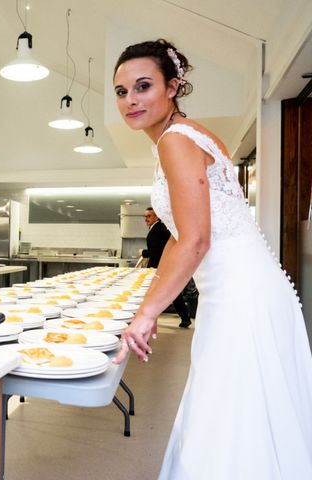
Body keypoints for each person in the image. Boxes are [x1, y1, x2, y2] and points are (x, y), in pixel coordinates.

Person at [113, 39, 312, 478]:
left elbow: (197, 239)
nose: (130, 100)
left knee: (228, 409)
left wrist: (147, 315)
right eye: (121, 91)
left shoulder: (175, 140)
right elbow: (186, 235)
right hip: (248, 284)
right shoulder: (190, 134)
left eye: (143, 86)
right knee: (242, 408)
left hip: (239, 293)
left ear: (173, 86)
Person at [141, 207, 192, 328]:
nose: (146, 219)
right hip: (163, 265)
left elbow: (158, 252)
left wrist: (143, 252)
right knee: (171, 291)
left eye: (149, 216)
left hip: (161, 265)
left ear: (156, 217)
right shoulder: (158, 228)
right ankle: (184, 317)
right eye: (145, 216)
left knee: (169, 292)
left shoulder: (158, 230)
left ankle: (150, 318)